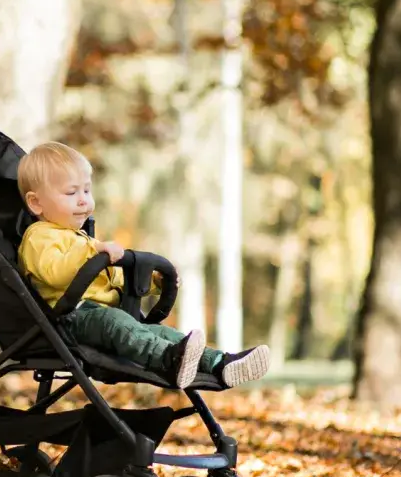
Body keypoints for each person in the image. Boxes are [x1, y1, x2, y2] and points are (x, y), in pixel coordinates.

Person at [16, 142, 270, 389]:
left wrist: (153, 283)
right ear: (36, 203)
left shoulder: (81, 239)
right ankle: (169, 361)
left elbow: (113, 279)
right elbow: (55, 273)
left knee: (162, 333)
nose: (83, 200)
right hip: (70, 318)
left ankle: (219, 363)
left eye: (86, 190)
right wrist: (93, 252)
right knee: (116, 322)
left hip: (103, 313)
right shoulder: (39, 236)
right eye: (71, 193)